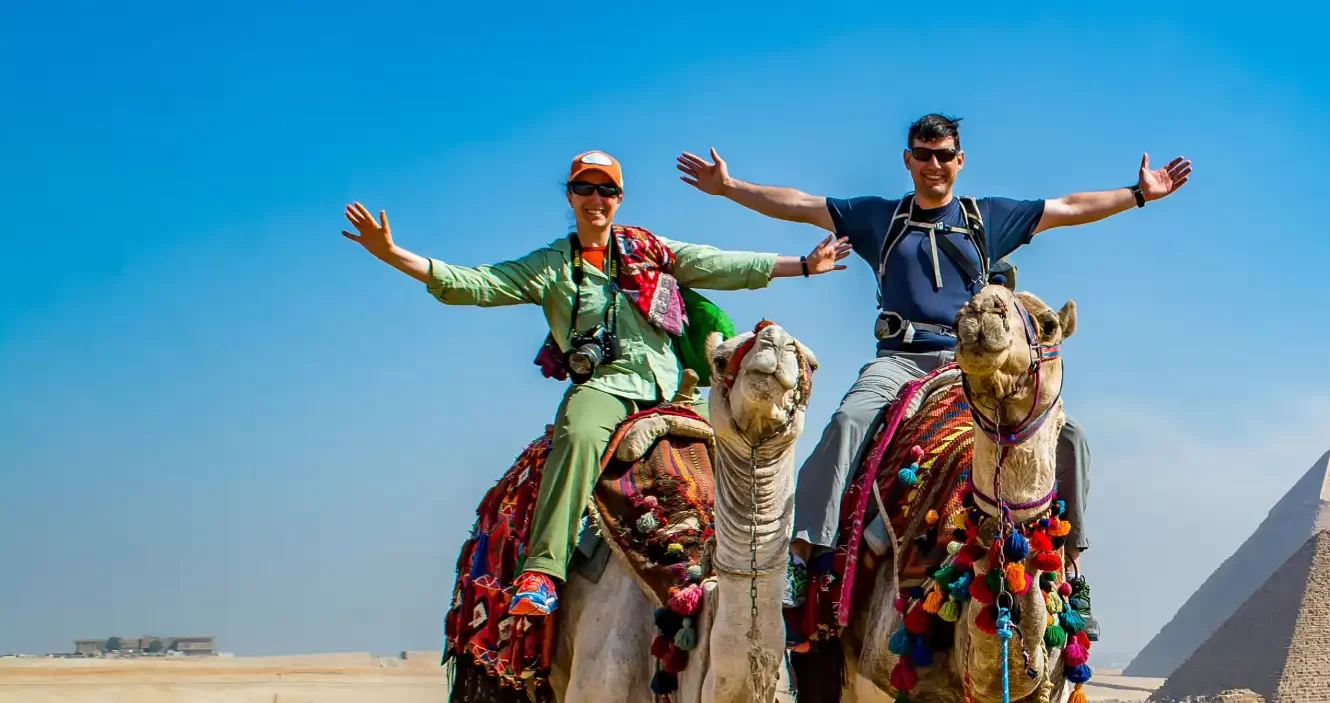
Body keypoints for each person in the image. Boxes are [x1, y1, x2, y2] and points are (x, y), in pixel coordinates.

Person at [676, 114, 1194, 585]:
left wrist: (1139, 194)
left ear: (959, 161)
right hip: (898, 360)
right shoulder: (879, 218)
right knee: (847, 422)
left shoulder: (986, 218)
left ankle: (1069, 561)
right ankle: (804, 556)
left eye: (944, 155)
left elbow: (1069, 208)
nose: (934, 165)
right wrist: (729, 188)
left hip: (974, 366)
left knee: (1069, 433)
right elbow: (801, 205)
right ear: (908, 160)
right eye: (923, 155)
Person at [343, 150, 849, 616]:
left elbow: (719, 264)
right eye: (585, 188)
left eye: (606, 190)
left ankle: (773, 571)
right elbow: (475, 283)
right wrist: (392, 253)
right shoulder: (551, 267)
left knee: (742, 450)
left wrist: (804, 265)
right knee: (579, 434)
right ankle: (542, 572)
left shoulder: (650, 250)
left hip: (672, 390)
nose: (596, 199)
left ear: (619, 199)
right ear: (570, 195)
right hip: (605, 389)